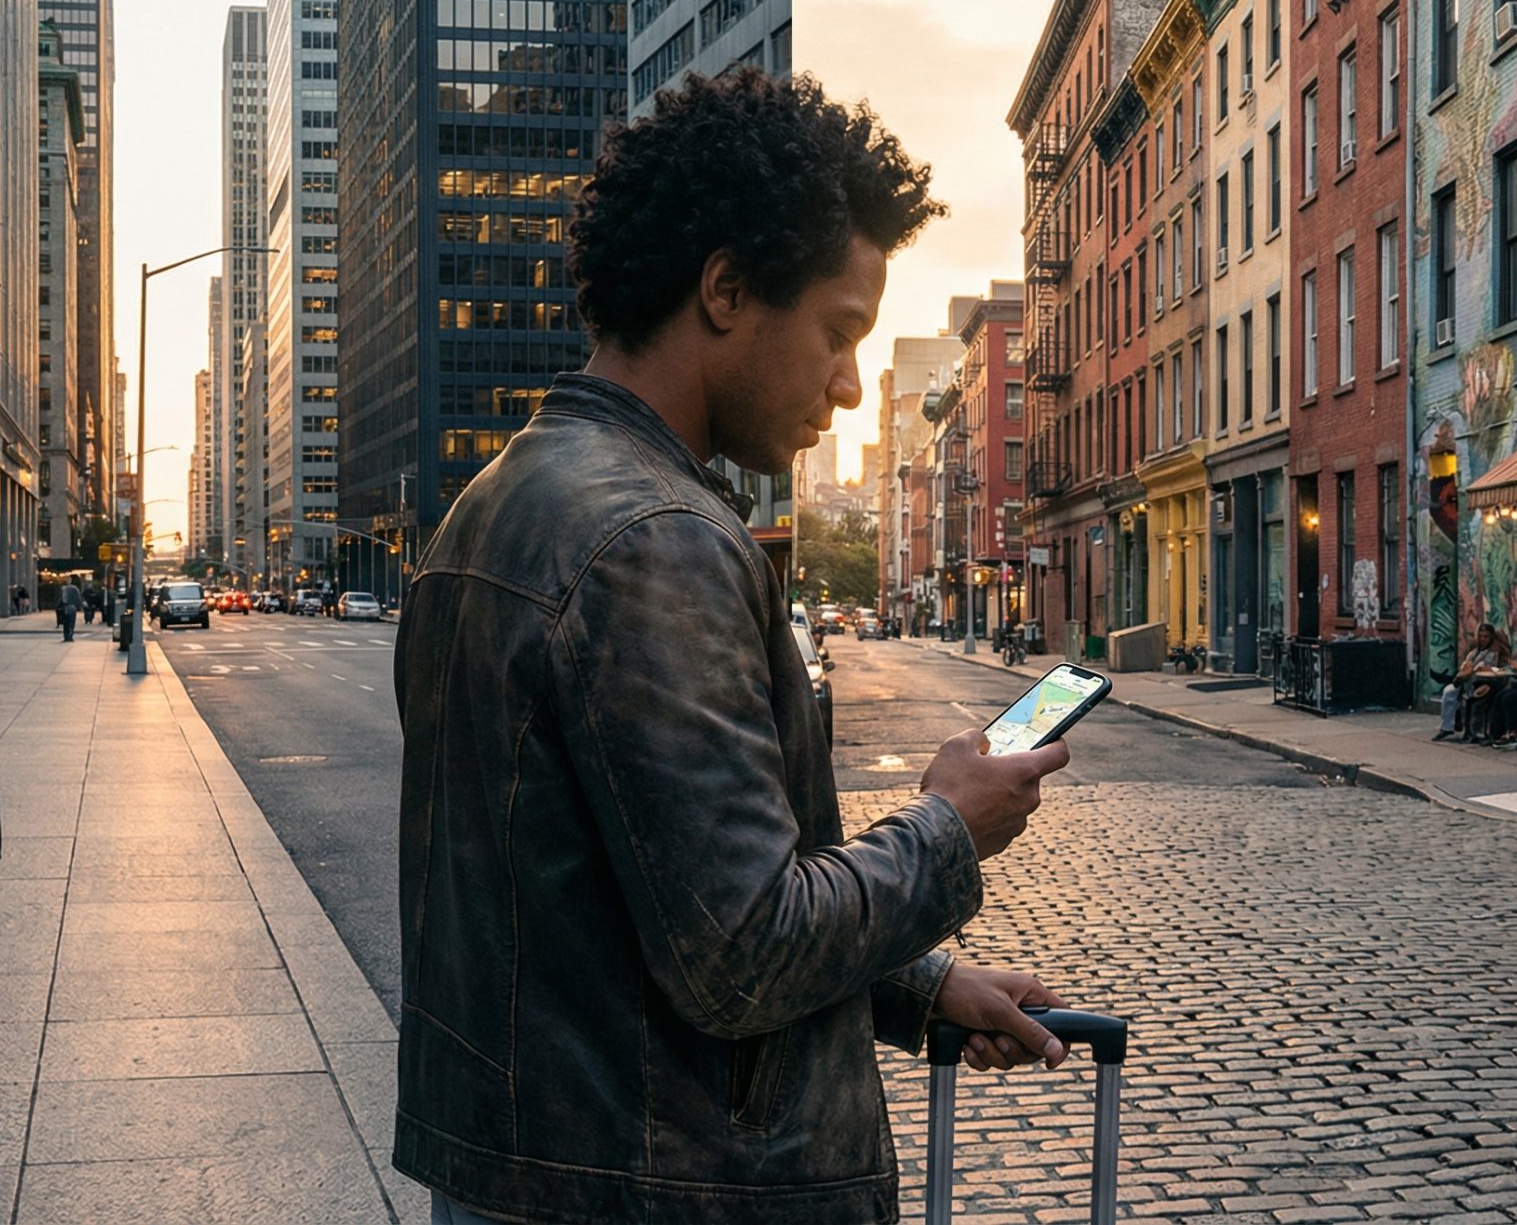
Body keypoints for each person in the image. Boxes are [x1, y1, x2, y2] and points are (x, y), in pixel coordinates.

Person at [394, 69, 1071, 1225]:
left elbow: (641, 902)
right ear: (725, 289)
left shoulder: (494, 503)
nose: (851, 387)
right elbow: (742, 949)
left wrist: (917, 983)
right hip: (670, 1190)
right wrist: (947, 829)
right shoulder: (655, 538)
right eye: (838, 332)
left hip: (539, 1171)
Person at [1432, 624, 1503, 741]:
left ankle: (1472, 732)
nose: (1483, 639)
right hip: (1467, 681)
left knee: (1470, 698)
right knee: (1448, 692)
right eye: (1480, 636)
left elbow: (1487, 668)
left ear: (1491, 638)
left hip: (1483, 682)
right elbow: (1465, 666)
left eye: (1486, 637)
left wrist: (1471, 670)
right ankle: (1446, 727)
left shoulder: (1493, 652)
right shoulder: (1475, 651)